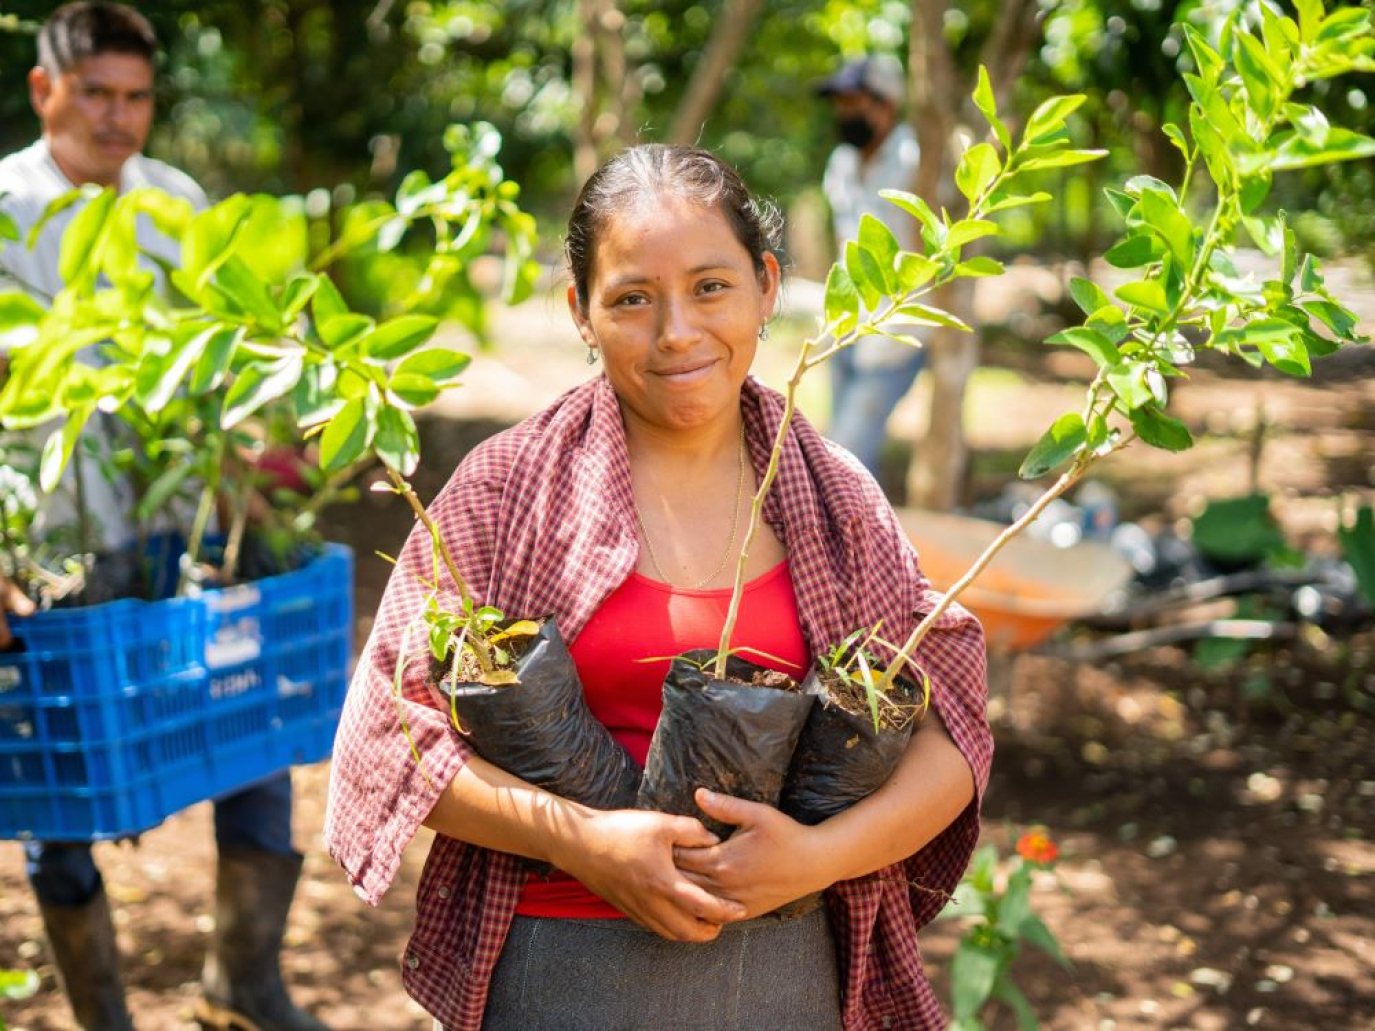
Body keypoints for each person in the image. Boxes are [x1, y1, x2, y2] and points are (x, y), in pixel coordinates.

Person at [326, 144, 990, 1030]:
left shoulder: (838, 500)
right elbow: (390, 738)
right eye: (633, 297)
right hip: (557, 971)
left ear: (765, 284)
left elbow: (948, 736)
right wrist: (582, 843)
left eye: (710, 286)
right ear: (581, 312)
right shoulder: (506, 490)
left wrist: (815, 857)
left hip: (788, 970)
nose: (676, 331)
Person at [0, 5, 330, 1030]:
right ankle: (103, 1013)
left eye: (136, 97)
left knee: (248, 730)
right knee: (65, 773)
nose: (119, 117)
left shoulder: (177, 202)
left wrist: (273, 462)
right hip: (47, 539)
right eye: (96, 93)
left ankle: (246, 982)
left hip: (177, 530)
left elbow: (222, 378)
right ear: (44, 89)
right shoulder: (6, 207)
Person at [816, 54, 926, 481]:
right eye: (839, 104)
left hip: (895, 333)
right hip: (846, 327)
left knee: (845, 453)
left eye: (854, 103)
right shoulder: (842, 163)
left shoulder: (915, 158)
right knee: (845, 451)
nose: (844, 114)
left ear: (886, 105)